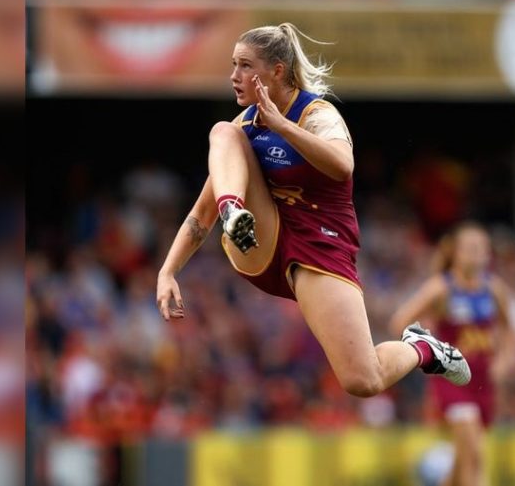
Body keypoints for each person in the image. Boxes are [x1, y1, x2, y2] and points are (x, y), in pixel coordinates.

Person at [156, 22, 470, 398]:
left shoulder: (318, 115)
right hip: (261, 239)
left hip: (320, 248)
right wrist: (169, 270)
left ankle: (423, 348)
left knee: (362, 380)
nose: (233, 76)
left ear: (277, 71)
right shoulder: (244, 128)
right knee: (223, 132)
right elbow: (200, 214)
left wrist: (281, 126)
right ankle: (235, 212)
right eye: (233, 65)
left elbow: (343, 165)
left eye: (244, 66)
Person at [389, 221, 515, 486]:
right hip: (453, 378)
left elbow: (509, 330)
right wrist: (429, 353)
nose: (476, 254)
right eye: (470, 248)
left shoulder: (494, 289)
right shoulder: (441, 287)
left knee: (464, 455)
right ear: (455, 253)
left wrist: (504, 361)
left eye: (481, 248)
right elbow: (400, 321)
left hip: (484, 380)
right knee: (475, 452)